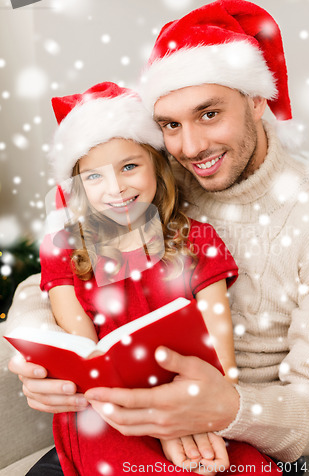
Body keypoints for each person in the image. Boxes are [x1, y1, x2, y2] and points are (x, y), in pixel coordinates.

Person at [7, 0, 309, 472]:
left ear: (258, 100)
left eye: (208, 114)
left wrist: (225, 410)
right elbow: (54, 272)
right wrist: (40, 349)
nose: (191, 147)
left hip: (242, 433)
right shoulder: (155, 183)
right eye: (170, 126)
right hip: (123, 409)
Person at [13, 80, 279, 475]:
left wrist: (189, 421)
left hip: (193, 399)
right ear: (79, 186)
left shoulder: (197, 240)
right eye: (94, 177)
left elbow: (222, 360)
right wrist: (155, 426)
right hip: (108, 409)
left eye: (130, 166)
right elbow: (89, 361)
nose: (116, 188)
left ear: (157, 166)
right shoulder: (64, 251)